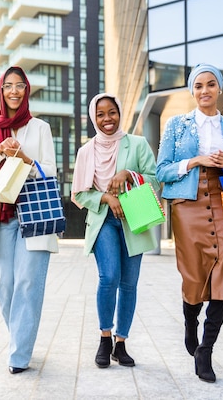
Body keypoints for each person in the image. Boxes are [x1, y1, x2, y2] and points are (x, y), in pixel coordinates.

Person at [155, 64, 223, 383]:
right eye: (198, 86)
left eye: (210, 85)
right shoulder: (177, 125)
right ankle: (190, 321)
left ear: (220, 89)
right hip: (187, 204)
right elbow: (161, 170)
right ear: (192, 92)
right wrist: (195, 161)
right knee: (193, 276)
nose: (204, 90)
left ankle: (206, 350)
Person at [0, 66, 58, 375]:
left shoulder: (40, 127)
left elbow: (51, 171)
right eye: (7, 85)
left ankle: (19, 354)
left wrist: (24, 157)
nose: (13, 91)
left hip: (34, 215)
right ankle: (21, 338)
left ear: (26, 90)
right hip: (3, 218)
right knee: (4, 286)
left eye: (19, 85)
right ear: (0, 90)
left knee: (26, 284)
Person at [72, 93, 159, 369]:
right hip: (103, 221)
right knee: (109, 276)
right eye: (100, 114)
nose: (107, 119)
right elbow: (79, 194)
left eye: (112, 112)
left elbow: (156, 180)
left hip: (135, 219)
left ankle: (121, 343)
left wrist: (128, 175)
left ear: (120, 113)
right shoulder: (86, 151)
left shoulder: (137, 144)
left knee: (129, 283)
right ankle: (104, 337)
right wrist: (106, 198)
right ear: (93, 118)